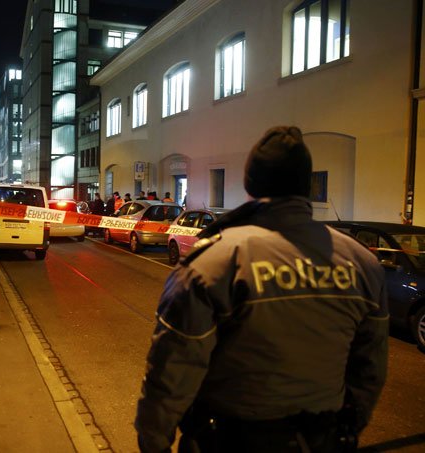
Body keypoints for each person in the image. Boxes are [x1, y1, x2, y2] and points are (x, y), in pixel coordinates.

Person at [135, 126, 388, 453]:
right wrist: (344, 429)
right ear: (305, 185)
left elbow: (171, 373)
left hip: (230, 440)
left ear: (251, 184)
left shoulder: (214, 263)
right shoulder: (361, 263)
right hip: (322, 439)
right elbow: (371, 368)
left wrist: (154, 443)